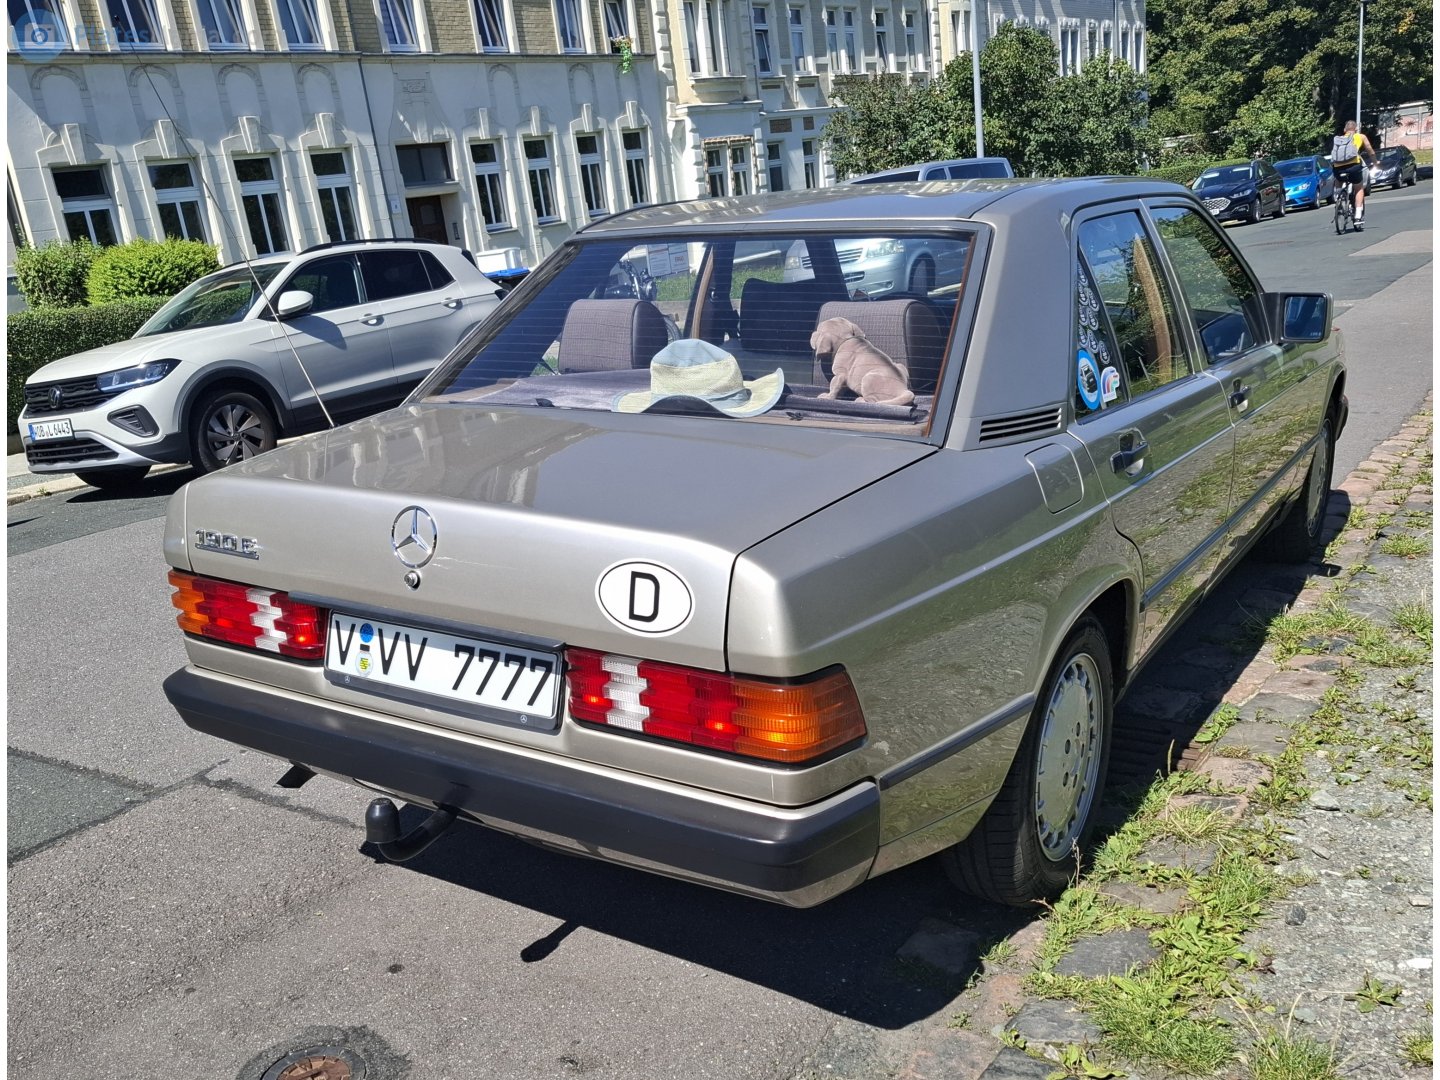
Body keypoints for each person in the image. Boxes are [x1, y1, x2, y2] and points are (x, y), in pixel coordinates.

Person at [1331, 120, 1377, 228]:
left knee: (1338, 178)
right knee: (1359, 188)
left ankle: (1339, 197)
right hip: (1353, 167)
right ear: (1356, 129)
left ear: (1344, 130)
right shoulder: (1360, 136)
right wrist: (1375, 162)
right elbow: (1370, 150)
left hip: (1338, 168)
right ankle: (1357, 215)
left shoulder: (1338, 139)